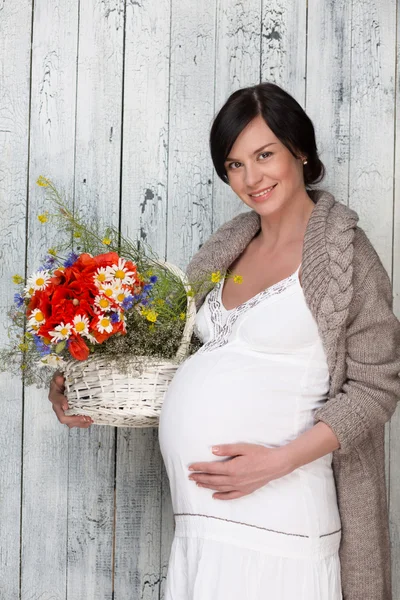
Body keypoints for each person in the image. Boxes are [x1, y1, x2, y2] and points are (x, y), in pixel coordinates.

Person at [49, 82, 400, 599]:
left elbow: (377, 388)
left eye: (265, 155)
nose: (251, 178)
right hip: (204, 532)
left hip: (282, 526)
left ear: (299, 150)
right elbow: (168, 360)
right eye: (235, 164)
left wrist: (278, 461)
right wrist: (81, 387)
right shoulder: (227, 248)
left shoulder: (347, 255)